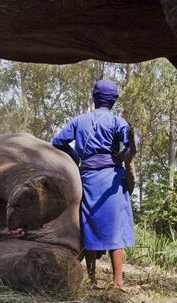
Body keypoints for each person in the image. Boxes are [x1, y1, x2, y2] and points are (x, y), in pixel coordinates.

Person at [51, 79, 137, 290]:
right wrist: (122, 155)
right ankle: (117, 283)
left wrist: (77, 157)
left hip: (87, 178)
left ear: (94, 98)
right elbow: (134, 143)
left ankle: (92, 280)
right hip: (112, 180)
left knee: (90, 227)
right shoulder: (118, 121)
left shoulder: (79, 121)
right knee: (115, 229)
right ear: (114, 100)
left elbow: (57, 142)